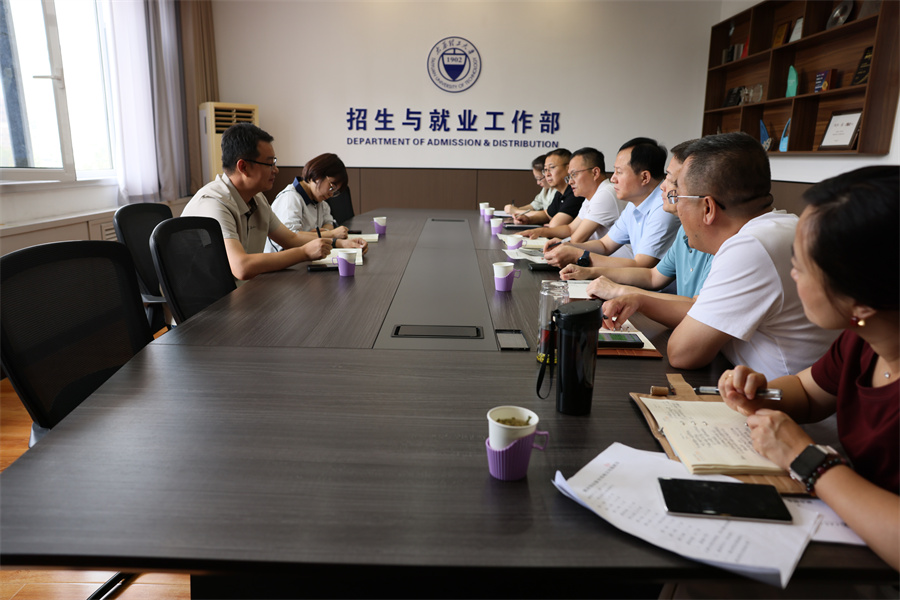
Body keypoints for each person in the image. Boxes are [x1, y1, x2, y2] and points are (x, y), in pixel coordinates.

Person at [717, 165, 899, 575]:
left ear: (861, 301)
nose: (792, 275)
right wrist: (761, 392)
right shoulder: (862, 338)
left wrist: (806, 459)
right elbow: (809, 393)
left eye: (800, 267)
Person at [600, 132, 836, 379]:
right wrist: (640, 300)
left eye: (677, 197)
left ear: (707, 208)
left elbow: (682, 353)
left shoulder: (750, 248)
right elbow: (700, 312)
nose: (675, 206)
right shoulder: (781, 227)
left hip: (783, 400)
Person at [182, 123, 366, 281]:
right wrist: (304, 253)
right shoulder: (214, 203)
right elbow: (241, 267)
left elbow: (291, 239)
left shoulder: (257, 199)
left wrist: (338, 243)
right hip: (210, 305)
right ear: (243, 166)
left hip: (242, 292)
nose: (276, 170)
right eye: (269, 164)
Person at [559, 140, 713, 301]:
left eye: (672, 181)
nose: (663, 186)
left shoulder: (665, 209)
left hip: (662, 301)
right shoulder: (681, 230)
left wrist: (618, 290)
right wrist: (588, 271)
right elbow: (652, 276)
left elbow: (644, 267)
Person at [543, 137, 678, 269]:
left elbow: (641, 265)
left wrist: (578, 255)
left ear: (644, 177)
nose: (613, 178)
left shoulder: (664, 207)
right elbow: (605, 245)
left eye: (619, 172)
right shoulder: (633, 203)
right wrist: (567, 246)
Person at [518, 147, 626, 244]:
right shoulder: (591, 197)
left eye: (574, 174)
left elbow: (576, 240)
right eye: (569, 176)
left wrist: (559, 243)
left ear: (595, 173)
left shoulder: (605, 193)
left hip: (615, 259)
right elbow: (570, 229)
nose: (570, 182)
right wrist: (539, 231)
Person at [265, 153, 350, 253]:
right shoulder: (290, 198)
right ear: (318, 175)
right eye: (331, 187)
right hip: (281, 259)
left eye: (335, 191)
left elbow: (328, 223)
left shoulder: (321, 202)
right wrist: (330, 234)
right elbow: (291, 239)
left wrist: (317, 234)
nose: (331, 194)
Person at [511, 149, 584, 226]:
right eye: (545, 170)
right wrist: (529, 219)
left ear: (568, 168)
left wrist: (551, 224)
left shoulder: (575, 192)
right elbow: (547, 215)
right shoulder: (559, 193)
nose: (547, 174)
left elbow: (555, 225)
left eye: (552, 167)